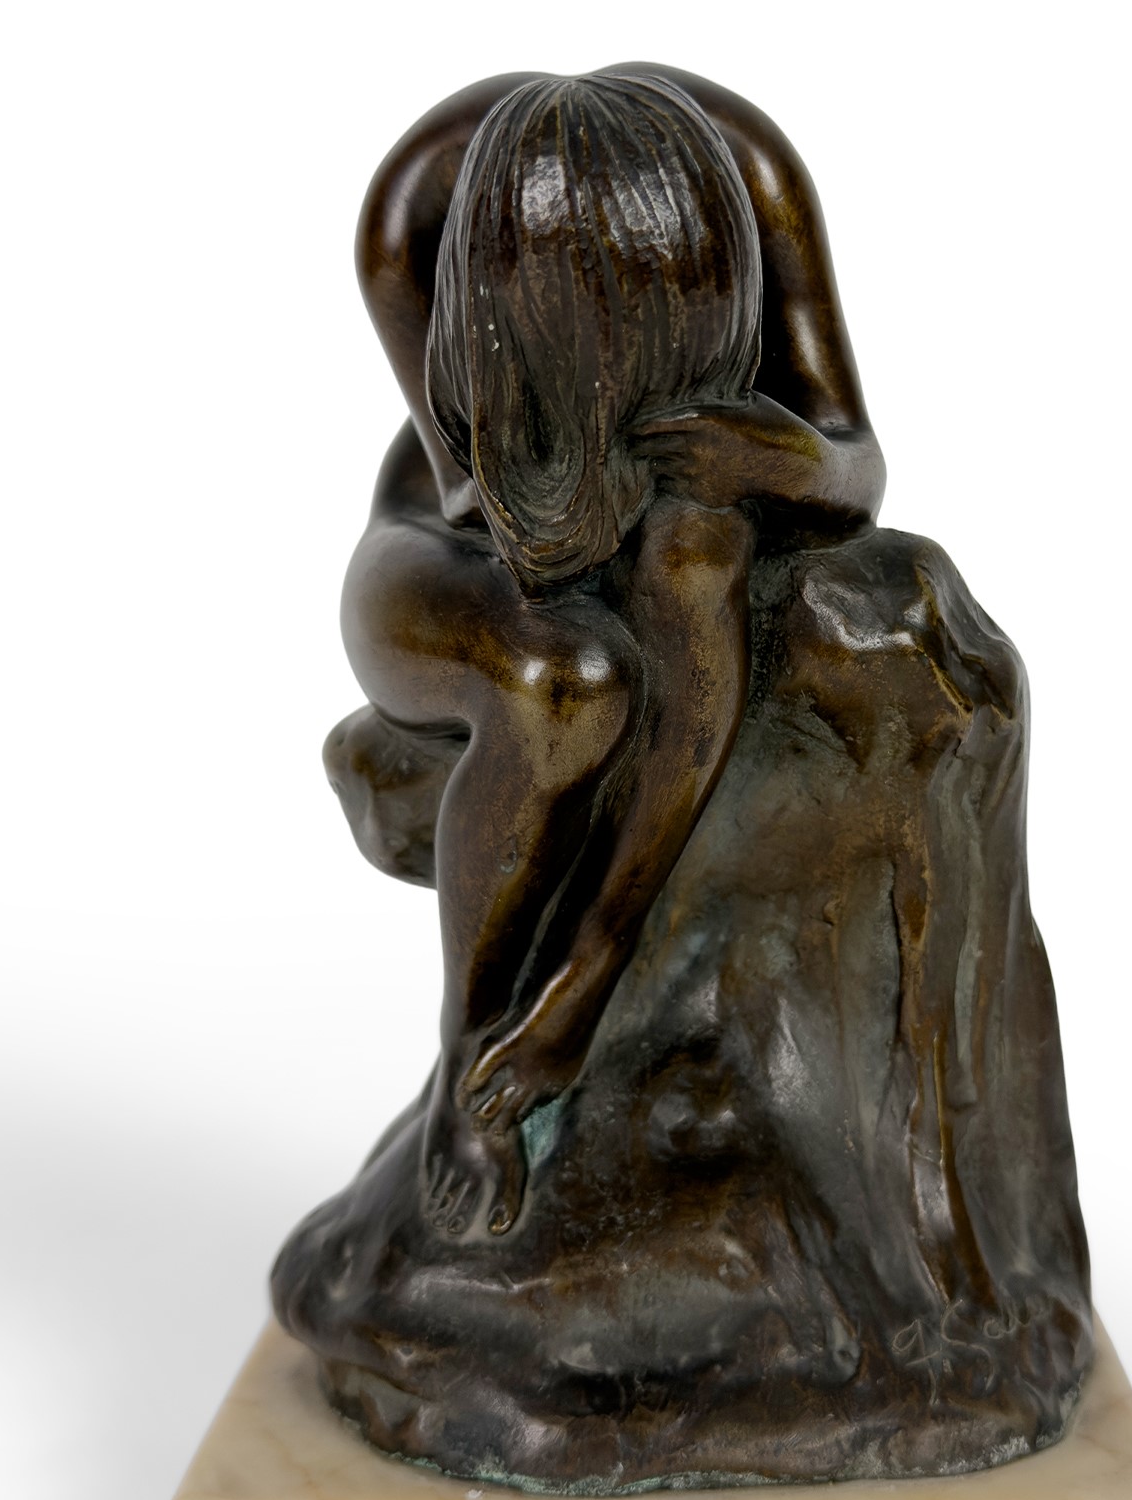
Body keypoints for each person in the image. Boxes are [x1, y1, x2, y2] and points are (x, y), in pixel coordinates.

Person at [335, 66, 885, 1239]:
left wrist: (584, 981)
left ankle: (542, 1038)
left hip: (685, 477)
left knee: (680, 566)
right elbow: (470, 490)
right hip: (449, 538)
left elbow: (851, 464)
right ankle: (468, 1069)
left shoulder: (754, 182)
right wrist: (564, 468)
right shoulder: (413, 207)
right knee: (560, 681)